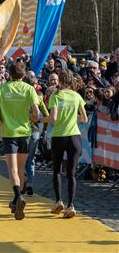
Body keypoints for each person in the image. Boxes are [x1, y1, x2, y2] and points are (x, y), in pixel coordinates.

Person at [0, 62, 40, 221]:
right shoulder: (29, 89)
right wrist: (29, 119)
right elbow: (37, 113)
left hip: (9, 133)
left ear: (9, 74)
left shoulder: (2, 88)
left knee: (12, 169)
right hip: (25, 132)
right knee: (20, 168)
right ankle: (16, 199)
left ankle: (18, 197)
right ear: (24, 75)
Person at [46, 70, 88, 218]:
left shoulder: (55, 96)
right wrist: (71, 115)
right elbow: (84, 119)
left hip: (59, 136)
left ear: (60, 82)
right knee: (71, 174)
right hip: (74, 137)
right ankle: (71, 205)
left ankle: (58, 201)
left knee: (57, 170)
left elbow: (54, 118)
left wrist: (40, 119)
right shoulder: (77, 96)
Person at [22, 73, 50, 196]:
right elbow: (46, 115)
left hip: (21, 130)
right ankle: (30, 185)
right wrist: (44, 129)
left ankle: (23, 178)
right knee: (31, 159)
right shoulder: (38, 98)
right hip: (34, 131)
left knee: (19, 157)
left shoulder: (19, 96)